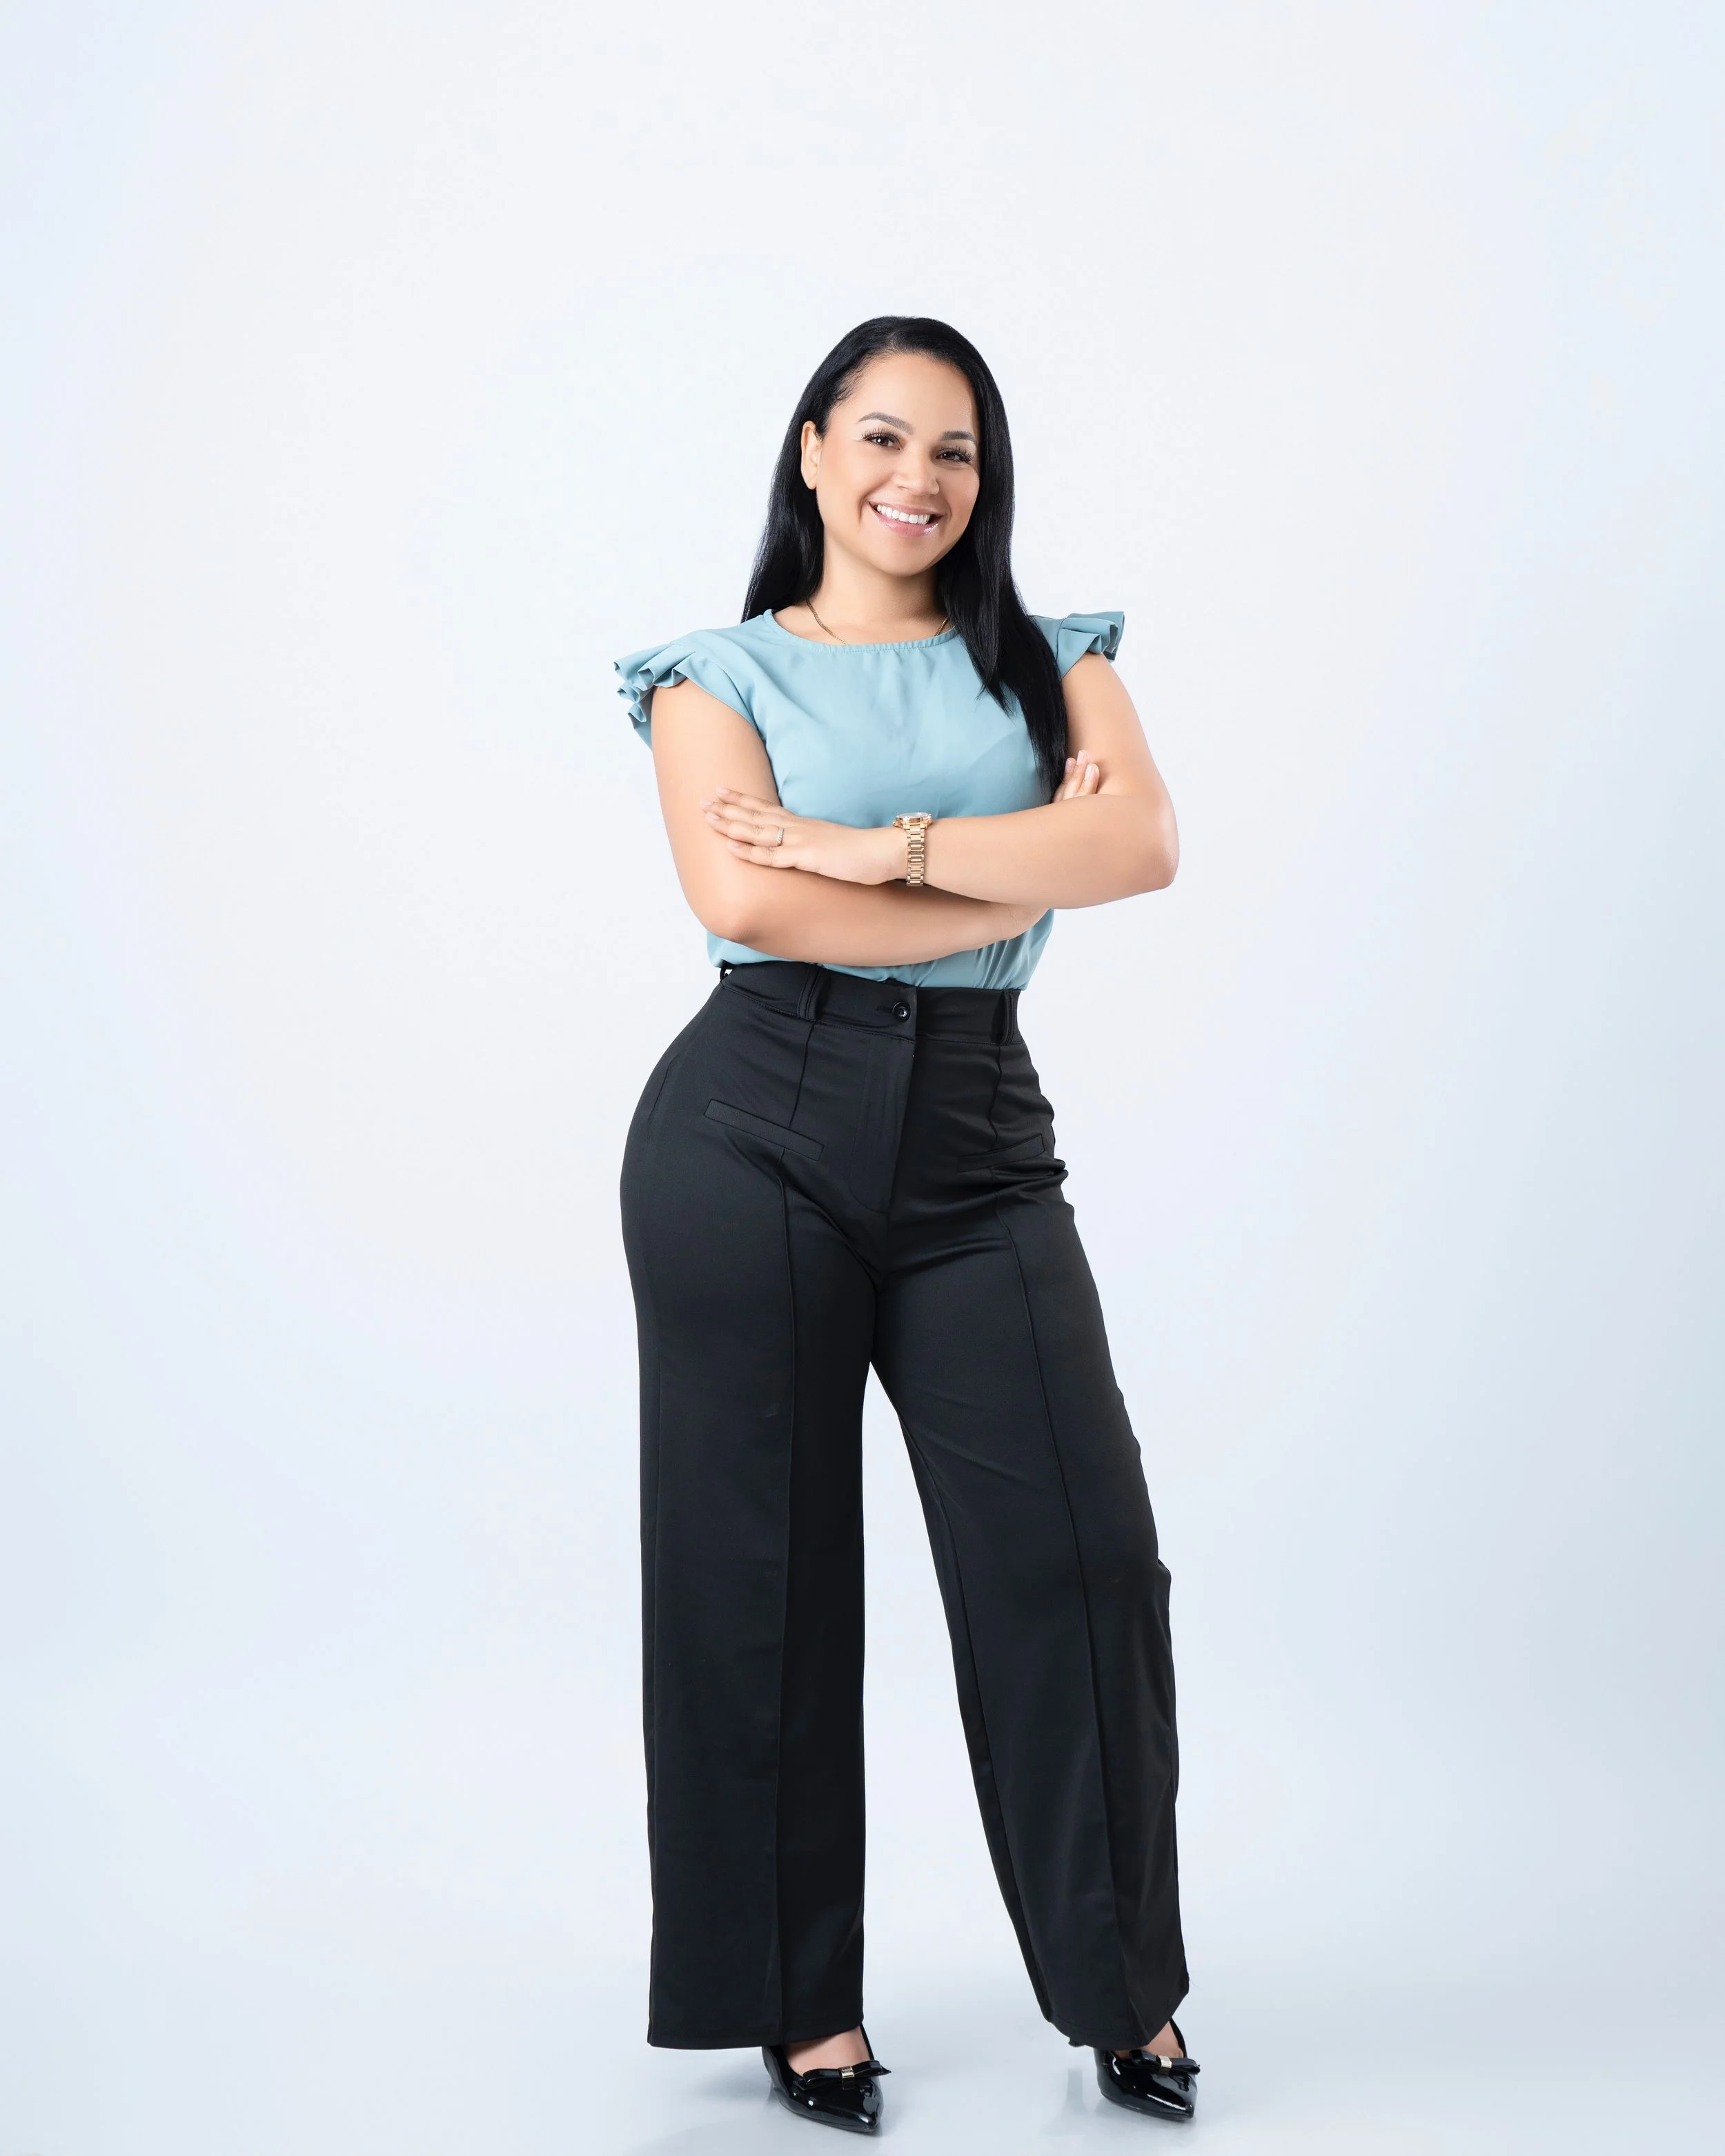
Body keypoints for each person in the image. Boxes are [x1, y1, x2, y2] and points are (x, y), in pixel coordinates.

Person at [613, 316, 1196, 2133]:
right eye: (878, 437)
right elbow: (740, 898)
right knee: (758, 1578)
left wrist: (875, 849)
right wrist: (983, 855)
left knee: (1077, 1562)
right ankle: (800, 2009)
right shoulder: (709, 673)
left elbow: (1140, 848)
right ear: (807, 453)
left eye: (952, 450)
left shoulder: (1051, 659)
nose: (915, 479)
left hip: (975, 1144)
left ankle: (1126, 1989)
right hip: (746, 1126)